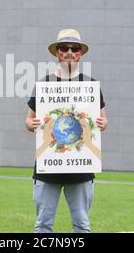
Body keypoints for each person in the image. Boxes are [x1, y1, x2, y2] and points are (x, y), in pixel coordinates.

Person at [25, 29, 108, 233]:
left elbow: (103, 118)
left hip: (81, 169)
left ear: (80, 53)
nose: (69, 52)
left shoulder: (90, 85)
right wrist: (31, 124)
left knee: (81, 225)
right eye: (64, 48)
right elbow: (28, 119)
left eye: (74, 48)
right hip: (48, 168)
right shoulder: (44, 85)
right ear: (57, 53)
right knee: (43, 225)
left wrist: (103, 123)